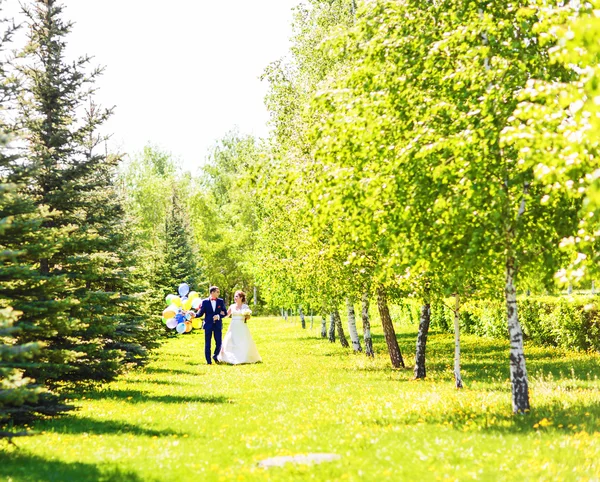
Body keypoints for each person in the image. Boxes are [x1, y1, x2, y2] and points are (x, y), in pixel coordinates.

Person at [217, 290, 262, 365]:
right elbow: (227, 315)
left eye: (237, 296)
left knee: (242, 340)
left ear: (241, 298)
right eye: (235, 296)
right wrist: (219, 313)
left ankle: (243, 357)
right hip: (233, 325)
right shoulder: (232, 306)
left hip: (241, 325)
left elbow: (248, 318)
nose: (235, 298)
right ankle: (230, 357)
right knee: (231, 340)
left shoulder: (245, 306)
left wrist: (247, 315)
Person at [197, 286, 227, 365]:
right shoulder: (205, 302)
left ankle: (215, 356)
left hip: (217, 325)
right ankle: (208, 361)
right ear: (212, 292)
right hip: (208, 325)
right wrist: (194, 315)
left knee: (219, 343)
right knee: (208, 343)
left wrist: (219, 316)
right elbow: (200, 313)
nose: (218, 293)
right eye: (217, 292)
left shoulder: (220, 301)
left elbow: (225, 312)